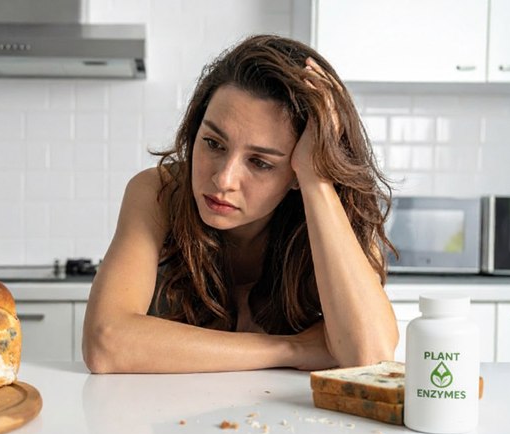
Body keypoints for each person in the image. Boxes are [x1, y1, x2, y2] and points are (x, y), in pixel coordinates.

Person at [82, 34, 398, 374]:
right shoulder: (158, 192)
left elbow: (370, 358)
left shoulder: (338, 215)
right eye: (213, 144)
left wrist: (316, 181)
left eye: (260, 162)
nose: (223, 179)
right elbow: (106, 343)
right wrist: (292, 348)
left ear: (296, 171)